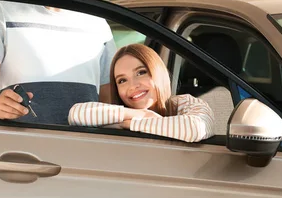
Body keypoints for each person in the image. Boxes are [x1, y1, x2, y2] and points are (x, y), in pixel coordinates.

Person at [68, 43, 215, 143]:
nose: (133, 86)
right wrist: (141, 114)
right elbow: (76, 114)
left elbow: (196, 128)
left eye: (141, 72)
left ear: (157, 71)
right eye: (122, 80)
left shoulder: (185, 103)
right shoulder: (115, 113)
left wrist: (129, 124)